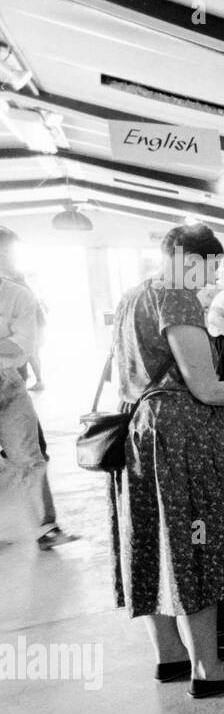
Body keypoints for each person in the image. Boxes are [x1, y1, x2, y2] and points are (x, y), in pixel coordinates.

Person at [110, 224, 224, 697]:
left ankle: (172, 656)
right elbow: (206, 387)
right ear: (187, 258)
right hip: (183, 435)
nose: (212, 276)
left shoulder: (134, 295)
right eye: (209, 265)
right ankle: (208, 670)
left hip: (142, 432)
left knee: (156, 539)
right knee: (198, 543)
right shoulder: (177, 296)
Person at [0, 225, 76, 550]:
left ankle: (44, 527)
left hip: (8, 384)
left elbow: (22, 347)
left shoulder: (18, 294)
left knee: (30, 457)